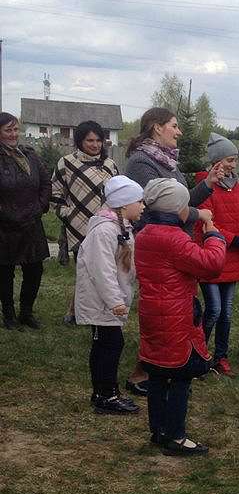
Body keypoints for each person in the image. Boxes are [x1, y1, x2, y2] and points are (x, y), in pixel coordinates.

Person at [124, 107, 220, 395]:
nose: (179, 132)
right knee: (162, 311)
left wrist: (207, 185)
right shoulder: (142, 162)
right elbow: (156, 209)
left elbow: (180, 200)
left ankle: (168, 366)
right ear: (157, 127)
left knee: (177, 309)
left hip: (174, 242)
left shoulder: (166, 160)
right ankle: (144, 373)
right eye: (174, 126)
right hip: (160, 246)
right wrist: (199, 215)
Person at [134, 179, 226, 456]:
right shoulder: (173, 239)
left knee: (159, 374)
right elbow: (211, 265)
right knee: (181, 375)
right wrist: (214, 236)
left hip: (152, 312)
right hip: (174, 315)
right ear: (176, 209)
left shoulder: (146, 233)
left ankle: (158, 430)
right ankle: (176, 436)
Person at [74, 176, 145, 415]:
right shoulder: (104, 231)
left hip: (110, 302)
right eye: (139, 201)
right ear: (124, 204)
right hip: (100, 302)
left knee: (110, 344)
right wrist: (115, 300)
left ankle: (106, 392)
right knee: (108, 345)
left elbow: (124, 266)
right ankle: (105, 395)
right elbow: (102, 270)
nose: (143, 206)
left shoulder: (121, 228)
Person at [194, 134, 239, 377]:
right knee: (214, 310)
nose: (234, 165)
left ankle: (221, 356)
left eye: (234, 160)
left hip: (232, 260)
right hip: (212, 256)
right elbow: (207, 225)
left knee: (227, 312)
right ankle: (197, 353)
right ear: (216, 161)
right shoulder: (205, 186)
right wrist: (236, 240)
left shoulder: (236, 184)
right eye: (230, 160)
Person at [50, 120, 119, 325]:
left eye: (98, 140)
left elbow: (118, 194)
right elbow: (55, 193)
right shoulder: (67, 163)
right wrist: (67, 214)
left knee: (105, 271)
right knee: (85, 272)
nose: (95, 145)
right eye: (90, 140)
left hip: (107, 227)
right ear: (80, 141)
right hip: (78, 227)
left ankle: (101, 311)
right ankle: (74, 312)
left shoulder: (110, 164)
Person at [0, 112, 51, 330]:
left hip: (31, 223)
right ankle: (9, 315)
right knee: (5, 273)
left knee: (34, 270)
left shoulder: (29, 154)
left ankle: (26, 313)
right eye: (8, 130)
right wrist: (8, 214)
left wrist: (39, 208)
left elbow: (46, 183)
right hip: (4, 225)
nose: (13, 134)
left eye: (15, 129)